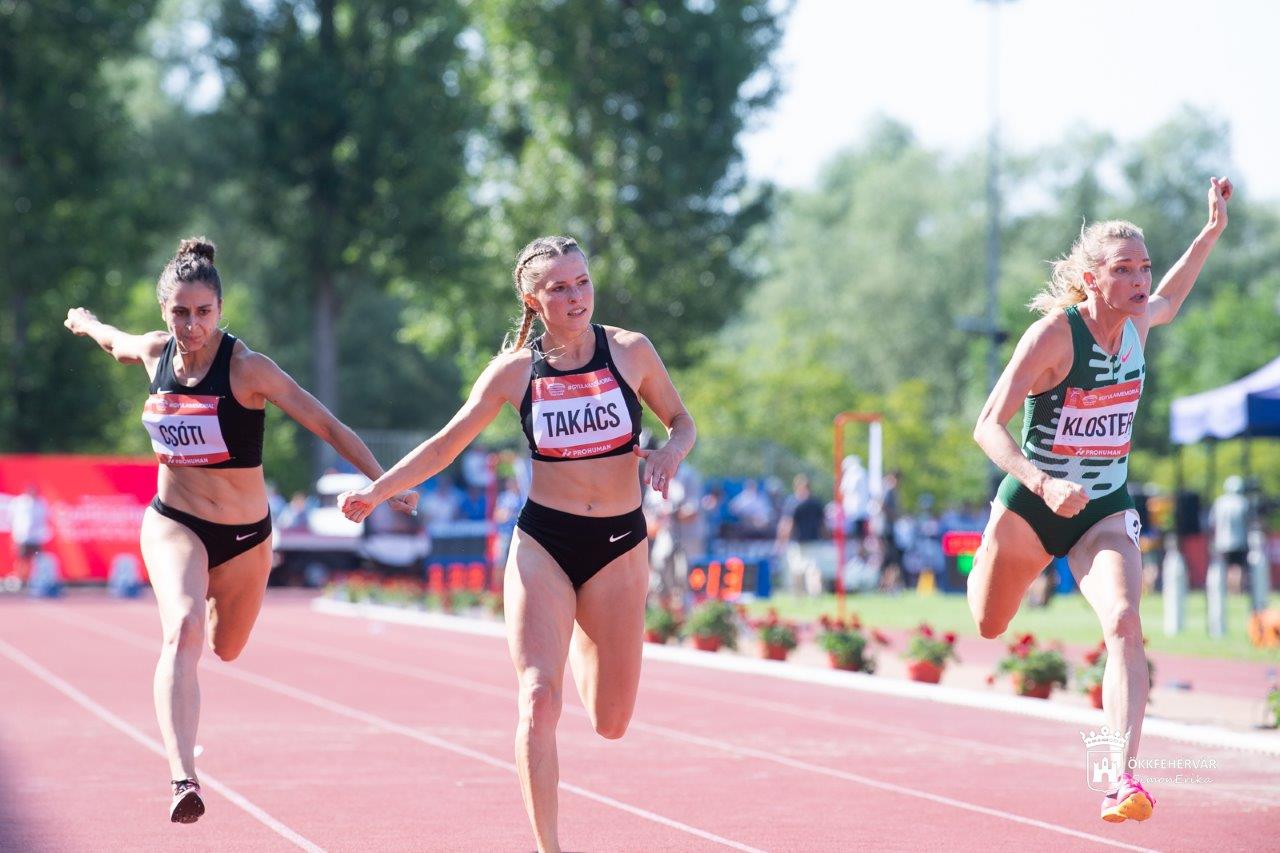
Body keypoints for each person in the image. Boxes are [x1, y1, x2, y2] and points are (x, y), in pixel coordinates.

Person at [337, 235, 694, 853]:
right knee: (537, 694)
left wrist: (668, 454)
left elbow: (682, 422)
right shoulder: (515, 372)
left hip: (618, 542)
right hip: (546, 542)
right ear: (533, 297)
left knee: (611, 723)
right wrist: (377, 489)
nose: (575, 295)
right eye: (559, 287)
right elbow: (446, 445)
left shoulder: (631, 352)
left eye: (582, 282)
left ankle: (585, 629)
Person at [64, 237, 417, 824]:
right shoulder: (156, 355)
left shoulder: (249, 369)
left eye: (203, 312)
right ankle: (183, 778)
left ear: (219, 310)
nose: (192, 324)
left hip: (247, 539)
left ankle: (206, 678)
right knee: (182, 629)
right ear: (164, 312)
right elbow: (113, 342)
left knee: (226, 647)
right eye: (180, 312)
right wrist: (86, 322)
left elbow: (326, 425)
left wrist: (383, 484)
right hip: (175, 522)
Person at [969, 178, 1231, 823]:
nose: (1140, 281)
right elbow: (986, 425)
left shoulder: (1141, 319)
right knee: (989, 625)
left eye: (1143, 267)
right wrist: (1042, 483)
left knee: (1122, 621)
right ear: (1091, 278)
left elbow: (1173, 294)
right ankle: (990, 560)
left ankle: (1123, 780)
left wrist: (1211, 232)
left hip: (1103, 509)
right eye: (1124, 270)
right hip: (1033, 507)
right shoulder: (1052, 338)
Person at [775, 475, 826, 596]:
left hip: (799, 542)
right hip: (812, 540)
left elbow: (787, 524)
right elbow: (823, 524)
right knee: (812, 570)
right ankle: (813, 594)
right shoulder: (816, 502)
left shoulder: (793, 502)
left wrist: (781, 541)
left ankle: (801, 595)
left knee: (798, 570)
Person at [9, 485, 50, 582]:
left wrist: (44, 533)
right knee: (22, 558)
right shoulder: (19, 502)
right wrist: (16, 533)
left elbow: (45, 518)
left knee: (37, 559)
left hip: (36, 537)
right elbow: (12, 518)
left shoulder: (41, 503)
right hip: (23, 536)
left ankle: (35, 579)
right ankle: (20, 579)